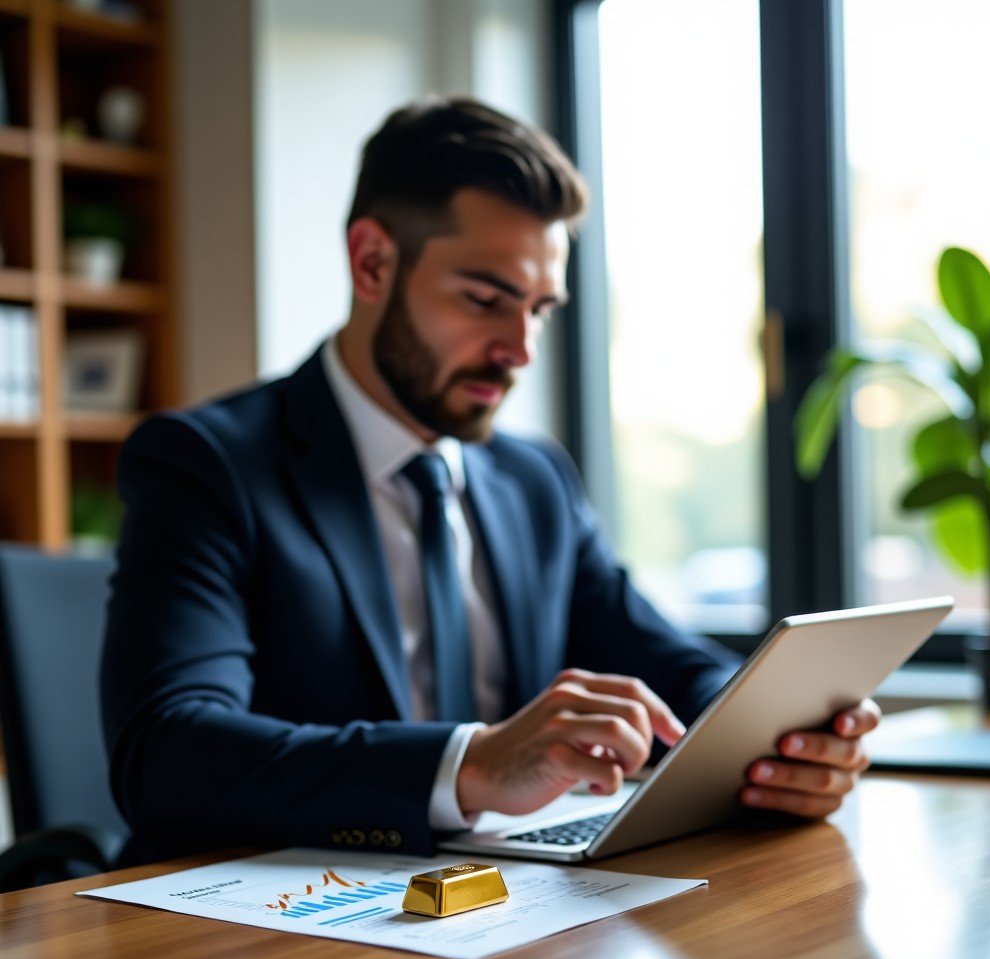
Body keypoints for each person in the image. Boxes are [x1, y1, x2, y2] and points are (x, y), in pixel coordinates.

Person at [101, 97, 878, 863]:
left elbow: (669, 664)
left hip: (493, 917)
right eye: (485, 300)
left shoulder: (532, 480)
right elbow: (168, 752)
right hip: (258, 929)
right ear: (372, 261)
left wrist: (782, 743)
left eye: (540, 309)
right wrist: (473, 764)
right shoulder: (207, 464)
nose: (521, 349)